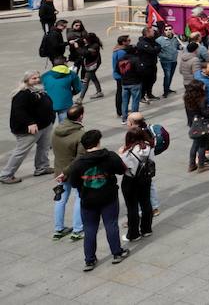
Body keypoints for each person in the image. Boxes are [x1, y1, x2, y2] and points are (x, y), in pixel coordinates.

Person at [60, 130, 129, 271]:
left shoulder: (78, 163)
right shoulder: (110, 156)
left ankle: (90, 260)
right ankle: (117, 253)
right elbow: (122, 170)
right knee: (111, 224)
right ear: (98, 142)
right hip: (108, 197)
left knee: (90, 228)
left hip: (88, 200)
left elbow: (73, 183)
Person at [2, 70, 56, 184]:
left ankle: (42, 168)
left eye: (38, 78)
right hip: (30, 129)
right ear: (27, 80)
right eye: (34, 78)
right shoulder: (22, 93)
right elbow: (19, 111)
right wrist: (30, 123)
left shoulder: (38, 90)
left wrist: (50, 118)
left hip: (45, 125)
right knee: (21, 152)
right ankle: (6, 175)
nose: (37, 80)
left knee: (44, 147)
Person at [51, 103, 86, 240]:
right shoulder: (80, 134)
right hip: (73, 172)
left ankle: (58, 229)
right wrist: (66, 171)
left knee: (60, 199)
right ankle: (77, 230)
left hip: (59, 170)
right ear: (81, 116)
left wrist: (61, 171)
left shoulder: (57, 130)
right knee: (79, 198)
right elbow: (80, 158)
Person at [118, 126, 156, 241]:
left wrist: (120, 153)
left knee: (132, 207)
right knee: (146, 203)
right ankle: (146, 229)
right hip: (145, 178)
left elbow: (122, 168)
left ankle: (133, 234)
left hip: (130, 180)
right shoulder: (149, 147)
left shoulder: (128, 152)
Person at [41, 59, 82, 124]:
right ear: (65, 64)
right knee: (64, 125)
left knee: (48, 125)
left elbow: (40, 88)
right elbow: (78, 88)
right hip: (65, 102)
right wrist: (71, 93)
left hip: (49, 104)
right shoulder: (71, 74)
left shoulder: (45, 75)